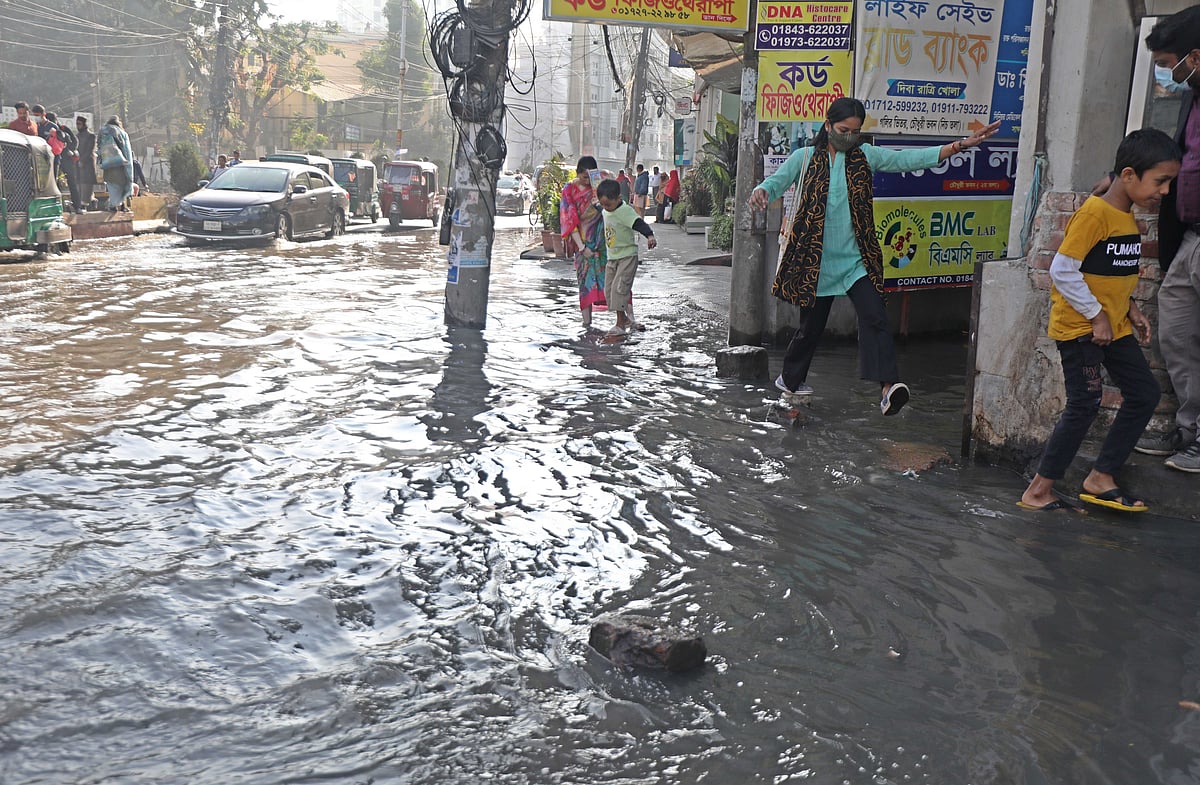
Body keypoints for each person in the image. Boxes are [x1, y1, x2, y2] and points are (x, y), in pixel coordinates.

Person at [749, 97, 1000, 415]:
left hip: (856, 261)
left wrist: (960, 145)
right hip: (817, 264)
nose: (849, 137)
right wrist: (760, 191)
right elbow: (775, 183)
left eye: (855, 132)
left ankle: (887, 387)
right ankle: (790, 378)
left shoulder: (865, 156)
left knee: (876, 317)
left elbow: (910, 160)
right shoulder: (804, 158)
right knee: (810, 331)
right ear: (827, 126)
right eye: (843, 130)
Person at [1018, 129, 1179, 513]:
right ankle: (1038, 490)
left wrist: (1131, 310)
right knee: (1085, 403)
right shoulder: (1094, 213)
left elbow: (1113, 272)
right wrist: (1096, 316)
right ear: (1128, 175)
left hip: (1113, 325)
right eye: (1160, 181)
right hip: (1082, 330)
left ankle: (1101, 477)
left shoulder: (1127, 216)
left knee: (1144, 394)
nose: (1166, 192)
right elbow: (1063, 270)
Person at [1136, 7, 1200, 473]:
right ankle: (1190, 429)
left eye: (1168, 62)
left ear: (1194, 57)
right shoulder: (1193, 99)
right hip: (1190, 238)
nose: (1166, 74)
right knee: (1177, 335)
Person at [596, 178, 656, 337]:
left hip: (627, 256)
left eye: (608, 204)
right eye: (603, 204)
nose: (605, 208)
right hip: (612, 257)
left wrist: (650, 236)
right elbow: (598, 210)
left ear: (618, 199)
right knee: (609, 290)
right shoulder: (604, 209)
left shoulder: (625, 211)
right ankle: (626, 320)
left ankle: (620, 324)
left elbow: (638, 223)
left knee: (619, 288)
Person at [560, 155, 607, 329]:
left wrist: (598, 191)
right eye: (584, 177)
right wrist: (581, 247)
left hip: (602, 241)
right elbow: (569, 220)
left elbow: (612, 208)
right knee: (585, 282)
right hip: (582, 241)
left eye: (590, 176)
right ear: (578, 173)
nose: (587, 181)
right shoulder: (569, 191)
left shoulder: (599, 186)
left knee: (609, 279)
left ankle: (623, 317)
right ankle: (586, 322)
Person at [44, 111, 83, 213]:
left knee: (71, 182)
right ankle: (56, 207)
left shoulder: (63, 129)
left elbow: (74, 140)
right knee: (54, 183)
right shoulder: (46, 130)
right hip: (54, 159)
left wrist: (70, 148)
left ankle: (77, 206)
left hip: (66, 158)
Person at [97, 116, 134, 212]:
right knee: (122, 185)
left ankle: (115, 205)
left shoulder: (102, 131)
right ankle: (118, 205)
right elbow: (127, 151)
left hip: (107, 165)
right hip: (120, 165)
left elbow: (99, 148)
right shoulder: (122, 133)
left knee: (112, 185)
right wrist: (129, 166)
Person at [75, 116, 97, 211]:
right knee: (79, 184)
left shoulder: (91, 135)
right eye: (77, 124)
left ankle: (86, 204)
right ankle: (83, 203)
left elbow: (89, 150)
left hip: (87, 164)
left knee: (86, 185)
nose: (78, 126)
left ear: (84, 124)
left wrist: (82, 161)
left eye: (79, 124)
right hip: (77, 163)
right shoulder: (77, 136)